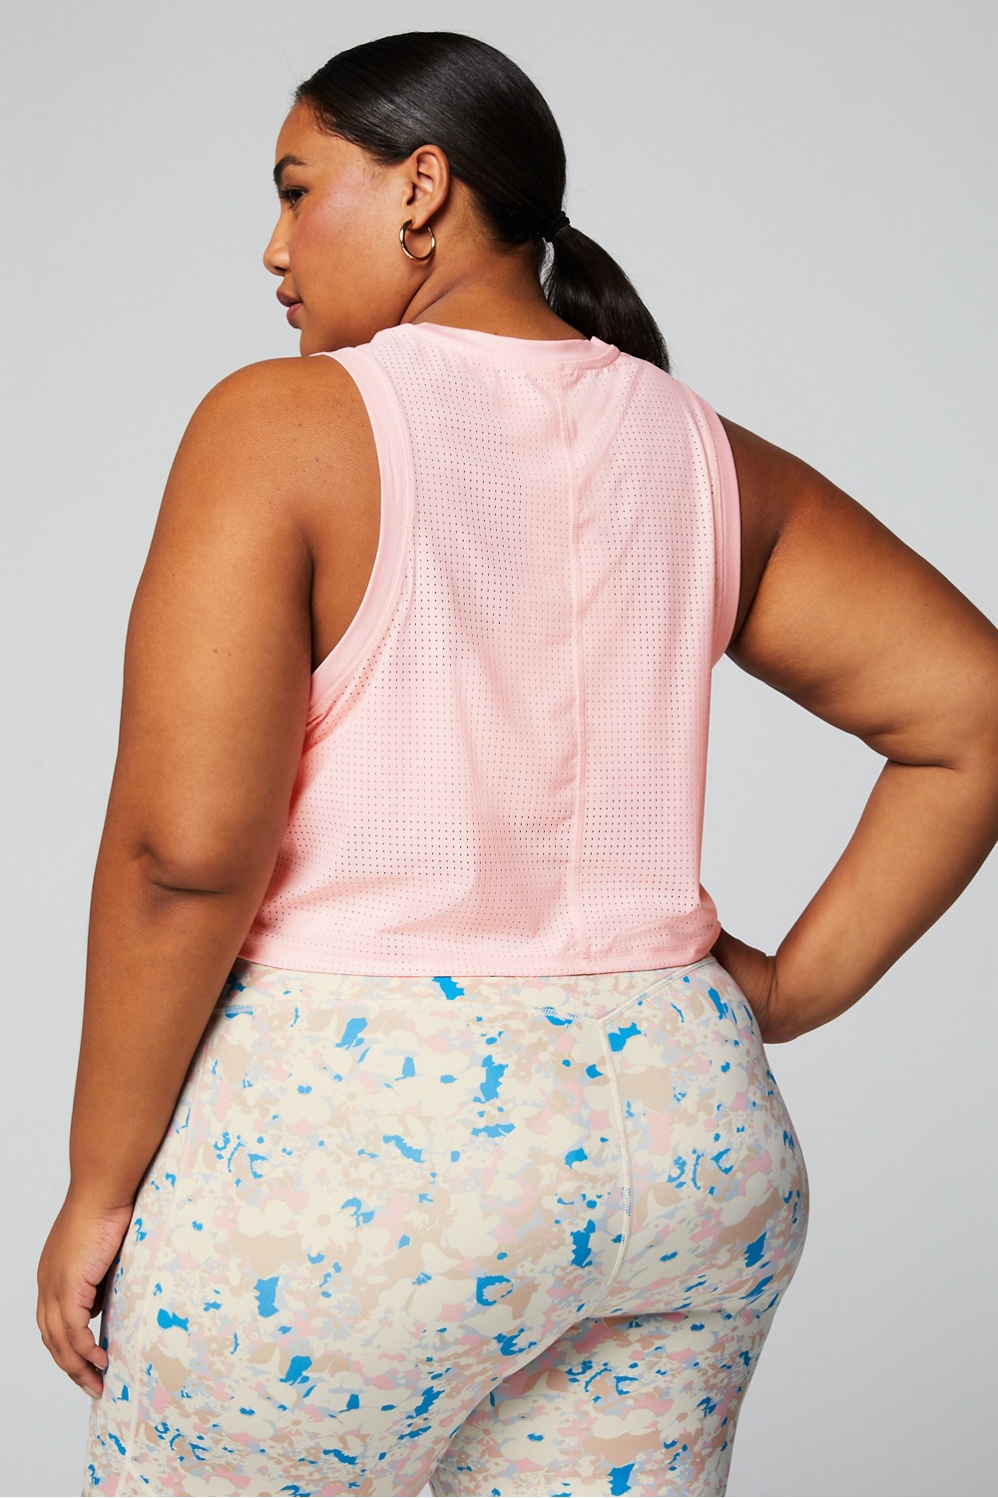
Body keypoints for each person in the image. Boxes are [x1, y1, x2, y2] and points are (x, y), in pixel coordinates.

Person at [35, 27, 998, 1498]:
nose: (274, 248)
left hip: (360, 1168)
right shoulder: (702, 451)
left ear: (422, 187)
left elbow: (185, 853)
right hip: (689, 1144)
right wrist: (780, 994)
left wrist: (100, 1182)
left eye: (297, 189)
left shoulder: (282, 423)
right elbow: (972, 711)